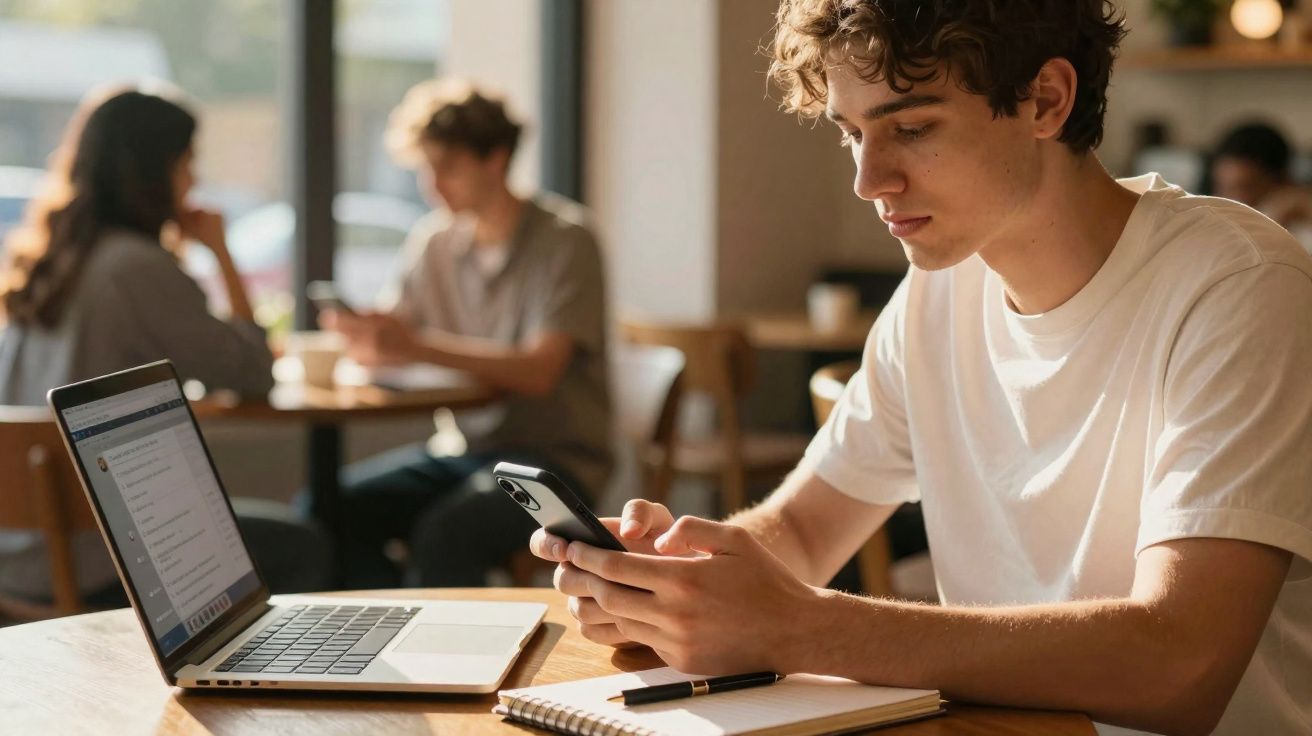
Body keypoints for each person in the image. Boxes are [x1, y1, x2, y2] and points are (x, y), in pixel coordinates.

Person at [529, 2, 1312, 735]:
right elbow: (801, 527)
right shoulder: (938, 290)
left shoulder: (1237, 286)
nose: (869, 181)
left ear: (1046, 99)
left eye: (912, 128)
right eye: (851, 133)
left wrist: (802, 626)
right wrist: (681, 582)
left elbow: (1181, 663)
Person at [0, 85, 329, 604]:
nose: (195, 179)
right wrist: (222, 252)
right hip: (103, 561)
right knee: (303, 544)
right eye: (188, 162)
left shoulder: (46, 265)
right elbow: (254, 374)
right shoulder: (134, 267)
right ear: (154, 171)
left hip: (17, 555)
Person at [321, 79, 611, 589]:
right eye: (425, 169)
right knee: (330, 509)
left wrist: (411, 345)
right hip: (463, 449)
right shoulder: (434, 240)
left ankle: (443, 659)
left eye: (447, 167)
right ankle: (387, 639)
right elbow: (394, 335)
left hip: (554, 461)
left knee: (445, 534)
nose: (433, 186)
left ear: (496, 159)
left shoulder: (566, 240)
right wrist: (368, 335)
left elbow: (540, 371)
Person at [1211, 122, 1312, 250]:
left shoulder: (1301, 230)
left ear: (1283, 181)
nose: (1229, 199)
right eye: (1222, 187)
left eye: (1244, 188)